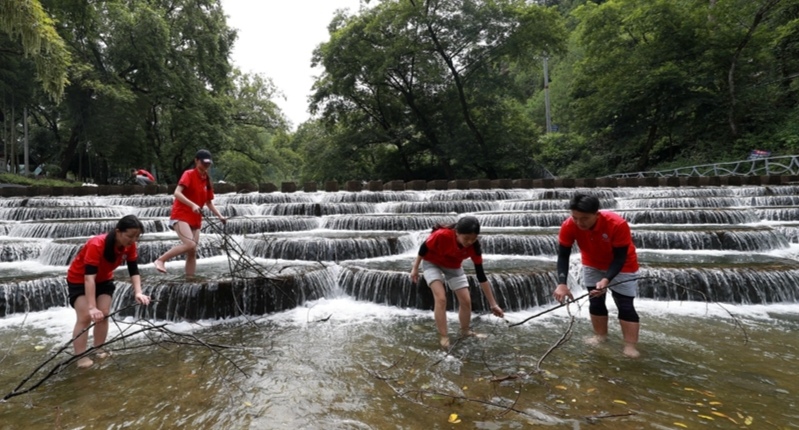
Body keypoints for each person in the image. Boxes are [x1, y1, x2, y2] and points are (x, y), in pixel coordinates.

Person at [552, 193, 641, 358]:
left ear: (597, 214)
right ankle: (600, 336)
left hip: (624, 265)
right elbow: (563, 255)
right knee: (596, 300)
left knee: (625, 304)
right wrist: (562, 283)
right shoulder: (569, 225)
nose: (579, 223)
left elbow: (620, 257)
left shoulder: (617, 224)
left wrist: (607, 279)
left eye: (584, 218)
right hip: (592, 263)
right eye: (575, 218)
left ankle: (630, 345)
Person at [67, 214, 151, 368]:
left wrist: (138, 292)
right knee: (85, 316)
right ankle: (80, 357)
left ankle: (99, 348)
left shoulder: (130, 245)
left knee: (104, 313)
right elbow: (89, 278)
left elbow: (134, 270)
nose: (133, 240)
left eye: (137, 237)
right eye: (130, 236)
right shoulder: (97, 244)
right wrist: (92, 307)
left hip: (104, 279)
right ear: (118, 231)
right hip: (79, 279)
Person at [410, 216, 505, 349]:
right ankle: (444, 335)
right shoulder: (441, 235)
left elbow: (481, 276)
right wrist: (415, 269)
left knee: (466, 300)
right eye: (466, 238)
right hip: (432, 263)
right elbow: (423, 249)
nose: (469, 242)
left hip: (453, 266)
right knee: (441, 298)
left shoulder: (474, 247)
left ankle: (465, 331)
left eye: (473, 239)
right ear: (456, 233)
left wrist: (493, 304)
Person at [154, 149, 226, 276]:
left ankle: (190, 279)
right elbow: (177, 192)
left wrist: (220, 216)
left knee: (192, 250)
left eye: (208, 163)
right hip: (181, 214)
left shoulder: (207, 180)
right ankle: (160, 260)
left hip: (195, 218)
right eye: (203, 163)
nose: (206, 166)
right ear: (196, 161)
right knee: (189, 244)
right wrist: (192, 204)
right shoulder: (189, 174)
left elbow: (209, 202)